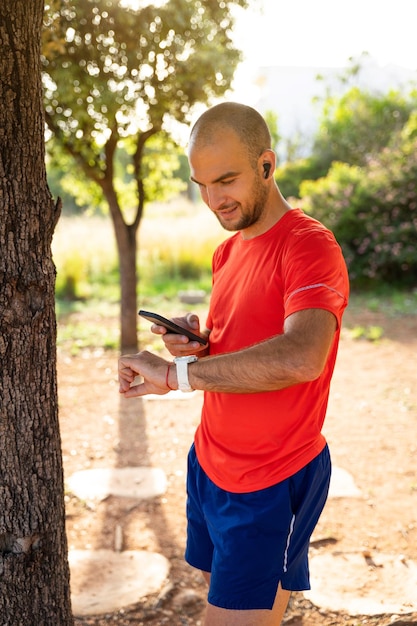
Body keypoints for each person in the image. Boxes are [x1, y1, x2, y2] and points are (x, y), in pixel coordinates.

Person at [118, 102, 349, 626]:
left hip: (270, 479)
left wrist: (176, 376)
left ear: (267, 165)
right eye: (201, 184)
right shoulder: (229, 251)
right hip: (210, 465)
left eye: (226, 180)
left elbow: (301, 356)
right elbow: (244, 344)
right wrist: (199, 344)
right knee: (219, 599)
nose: (212, 199)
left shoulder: (310, 246)